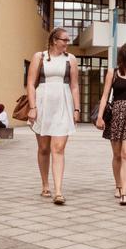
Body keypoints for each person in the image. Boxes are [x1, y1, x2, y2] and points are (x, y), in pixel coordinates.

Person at [27, 28, 80, 205]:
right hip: (43, 104)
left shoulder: (71, 59)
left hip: (63, 105)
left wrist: (76, 109)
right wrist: (33, 107)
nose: (67, 43)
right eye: (64, 40)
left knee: (58, 148)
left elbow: (74, 86)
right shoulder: (39, 57)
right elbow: (30, 84)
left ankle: (58, 191)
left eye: (68, 40)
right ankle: (45, 184)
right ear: (54, 40)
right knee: (43, 148)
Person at [96, 42, 126, 206]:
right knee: (117, 155)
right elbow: (104, 96)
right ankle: (117, 185)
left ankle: (124, 192)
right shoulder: (113, 73)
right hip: (116, 114)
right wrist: (100, 117)